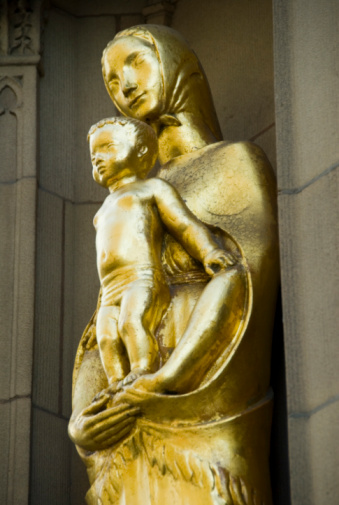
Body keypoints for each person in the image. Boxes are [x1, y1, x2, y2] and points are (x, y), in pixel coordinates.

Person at [69, 25, 279, 505]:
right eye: (110, 80)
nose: (123, 85)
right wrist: (84, 418)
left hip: (202, 409)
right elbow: (103, 317)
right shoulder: (123, 197)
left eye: (135, 62)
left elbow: (244, 281)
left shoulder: (234, 162)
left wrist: (169, 382)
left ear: (175, 60)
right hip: (128, 417)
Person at [89, 116, 234, 389]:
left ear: (141, 151)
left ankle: (142, 368)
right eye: (93, 154)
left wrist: (209, 251)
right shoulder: (100, 213)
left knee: (132, 322)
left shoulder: (152, 189)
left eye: (107, 148)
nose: (97, 158)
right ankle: (115, 386)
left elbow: (183, 225)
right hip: (109, 289)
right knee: (106, 337)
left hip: (141, 277)